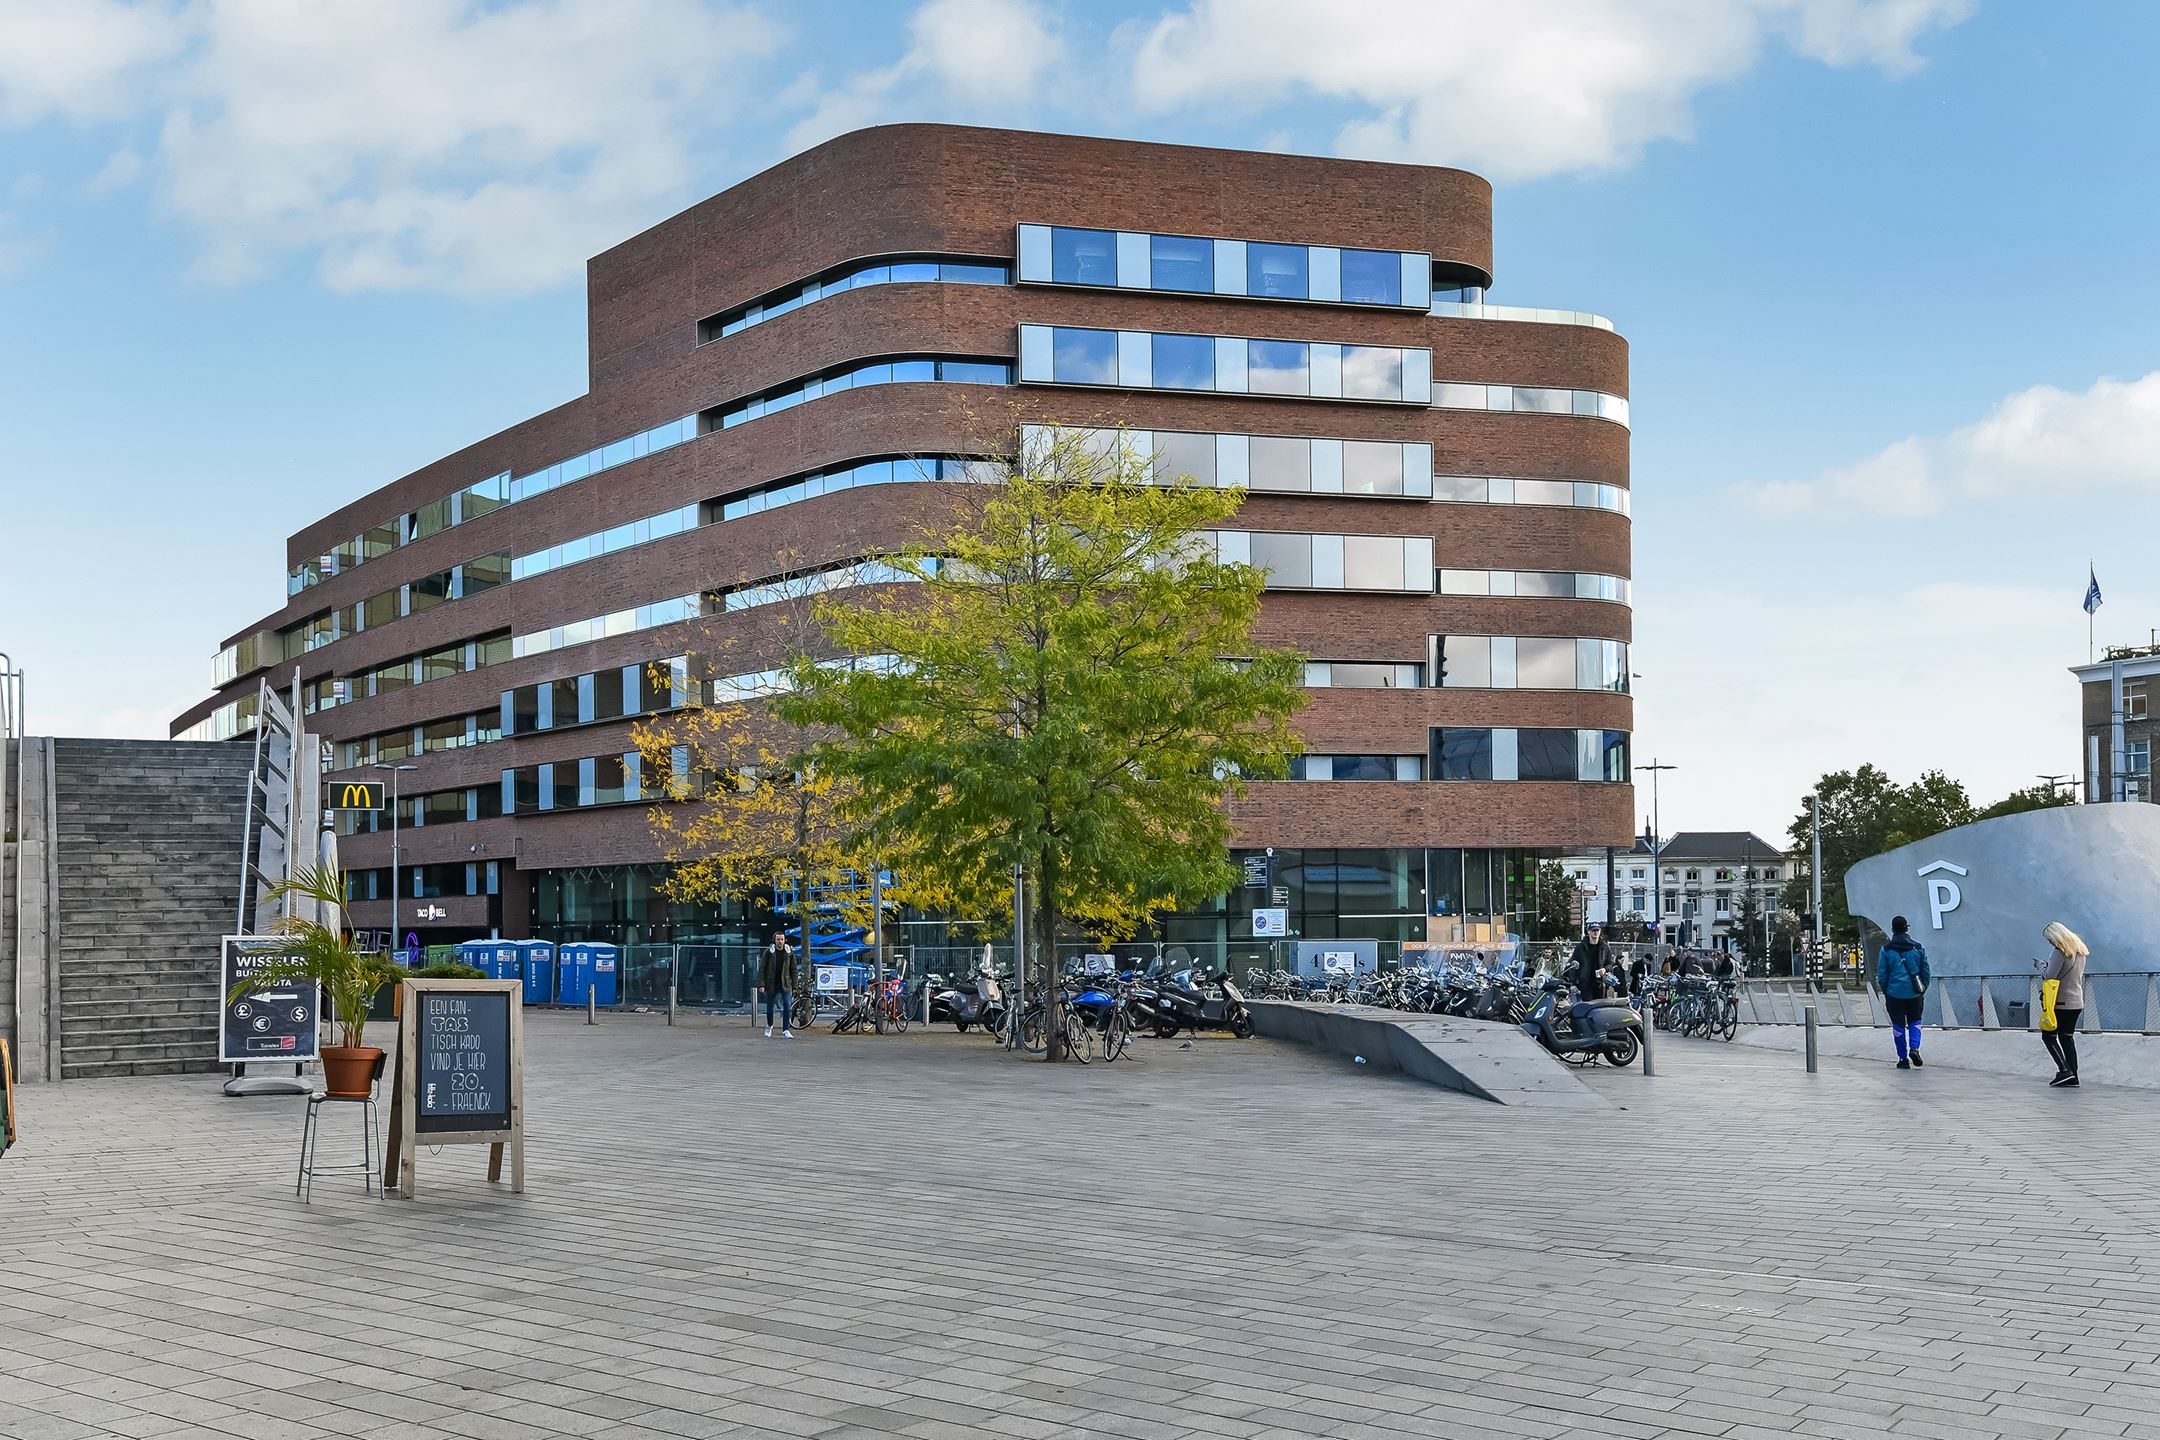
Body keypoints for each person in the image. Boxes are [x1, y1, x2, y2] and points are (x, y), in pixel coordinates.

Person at [1876, 915, 1931, 1069]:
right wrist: (1922, 988)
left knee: (1898, 1025)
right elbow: (1925, 971)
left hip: (1894, 994)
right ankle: (1915, 1048)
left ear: (1893, 929)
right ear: (1907, 928)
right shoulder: (1918, 948)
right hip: (1914, 993)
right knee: (1915, 1021)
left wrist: (1887, 991)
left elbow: (1882, 975)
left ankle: (1902, 1058)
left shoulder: (1886, 950)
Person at [2040, 921, 2088, 1088]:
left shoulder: (2059, 952)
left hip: (2061, 1002)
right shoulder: (2080, 951)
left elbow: (2049, 976)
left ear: (2055, 937)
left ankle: (2064, 1070)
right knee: (2067, 1038)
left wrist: (2041, 967)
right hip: (2077, 1001)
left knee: (2048, 1036)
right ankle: (2073, 1076)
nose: (2049, 942)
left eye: (2049, 939)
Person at [759, 930, 795, 1038]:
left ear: (785, 940)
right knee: (770, 1008)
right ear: (774, 940)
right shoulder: (768, 952)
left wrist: (795, 986)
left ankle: (786, 1029)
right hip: (772, 983)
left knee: (787, 1006)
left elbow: (793, 969)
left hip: (785, 983)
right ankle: (769, 1025)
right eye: (778, 939)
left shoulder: (789, 952)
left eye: (782, 939)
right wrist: (761, 984)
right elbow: (762, 969)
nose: (780, 941)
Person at [1567, 922, 1612, 1002]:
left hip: (1600, 983)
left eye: (1597, 930)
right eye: (1593, 930)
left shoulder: (1605, 947)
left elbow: (1610, 963)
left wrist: (1605, 969)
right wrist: (1573, 983)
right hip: (1585, 984)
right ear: (1588, 932)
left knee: (1599, 1006)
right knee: (1587, 1005)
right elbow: (1573, 965)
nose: (1595, 932)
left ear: (1600, 931)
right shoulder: (1580, 947)